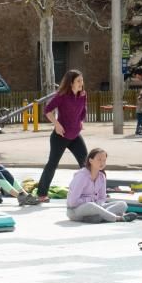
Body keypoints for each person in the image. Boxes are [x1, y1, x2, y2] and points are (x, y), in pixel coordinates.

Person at [35, 70, 88, 203]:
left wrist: (81, 122)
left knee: (87, 163)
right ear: (71, 83)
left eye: (82, 80)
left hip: (75, 135)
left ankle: (92, 190)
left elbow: (83, 111)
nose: (81, 83)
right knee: (52, 164)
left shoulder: (83, 94)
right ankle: (41, 193)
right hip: (60, 136)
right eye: (78, 81)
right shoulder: (62, 95)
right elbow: (47, 110)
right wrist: (57, 125)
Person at [66, 148, 136, 223]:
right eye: (99, 159)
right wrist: (91, 200)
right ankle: (118, 218)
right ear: (90, 160)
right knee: (91, 205)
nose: (102, 163)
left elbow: (102, 198)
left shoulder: (101, 177)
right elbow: (72, 202)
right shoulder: (82, 176)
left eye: (104, 160)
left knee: (122, 204)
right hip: (75, 211)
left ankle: (98, 217)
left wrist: (98, 204)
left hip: (96, 207)